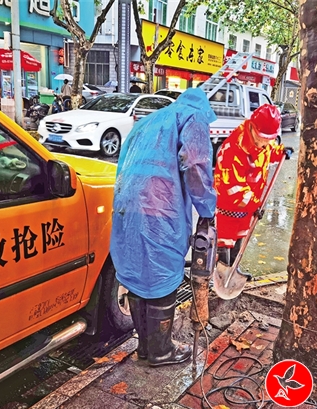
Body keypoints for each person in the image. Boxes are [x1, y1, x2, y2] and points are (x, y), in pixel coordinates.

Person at [110, 88, 217, 367]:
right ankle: (162, 351)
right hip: (160, 207)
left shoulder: (149, 120)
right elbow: (195, 163)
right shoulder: (193, 117)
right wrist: (207, 209)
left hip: (127, 205)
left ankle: (145, 348)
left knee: (139, 273)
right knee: (162, 273)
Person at [213, 104, 290, 279]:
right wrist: (255, 204)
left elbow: (267, 152)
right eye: (263, 138)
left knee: (240, 238)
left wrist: (280, 152)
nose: (265, 143)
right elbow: (233, 188)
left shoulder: (262, 144)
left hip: (247, 207)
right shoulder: (234, 149)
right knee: (225, 241)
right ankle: (221, 275)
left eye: (269, 139)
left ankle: (234, 270)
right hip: (228, 207)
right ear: (252, 127)